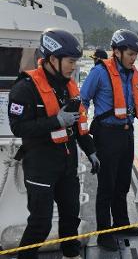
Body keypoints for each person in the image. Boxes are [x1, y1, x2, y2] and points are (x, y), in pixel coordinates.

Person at [8, 28, 100, 259]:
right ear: (52, 59)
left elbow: (78, 127)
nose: (74, 66)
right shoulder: (24, 89)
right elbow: (19, 128)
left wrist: (91, 151)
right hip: (40, 167)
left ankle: (71, 255)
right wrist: (55, 121)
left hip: (66, 166)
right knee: (40, 223)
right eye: (70, 61)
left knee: (71, 216)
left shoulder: (68, 87)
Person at [80, 29, 138, 251]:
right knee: (106, 185)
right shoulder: (100, 72)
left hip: (126, 133)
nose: (134, 58)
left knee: (123, 183)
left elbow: (136, 106)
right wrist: (83, 134)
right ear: (117, 52)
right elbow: (83, 101)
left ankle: (121, 223)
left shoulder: (132, 74)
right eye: (130, 54)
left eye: (135, 55)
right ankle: (104, 234)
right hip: (106, 135)